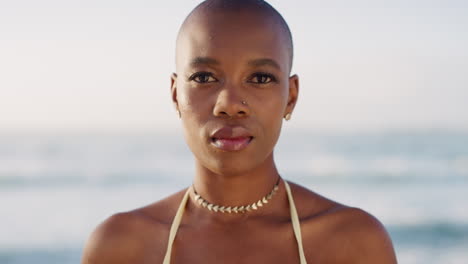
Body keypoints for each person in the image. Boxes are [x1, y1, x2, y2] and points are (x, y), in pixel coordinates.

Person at [81, 0, 398, 263]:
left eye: (259, 78)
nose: (230, 104)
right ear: (176, 93)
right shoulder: (120, 247)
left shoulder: (353, 243)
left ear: (291, 96)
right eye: (205, 77)